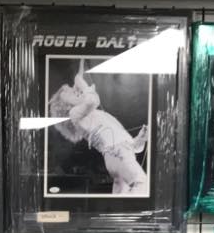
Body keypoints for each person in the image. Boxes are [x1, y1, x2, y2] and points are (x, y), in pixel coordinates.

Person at [47, 66, 149, 194]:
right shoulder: (74, 114)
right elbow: (92, 100)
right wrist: (81, 83)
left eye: (75, 90)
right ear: (65, 106)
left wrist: (140, 139)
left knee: (121, 198)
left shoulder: (97, 115)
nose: (76, 91)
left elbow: (131, 147)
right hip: (116, 153)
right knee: (142, 184)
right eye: (70, 93)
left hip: (117, 154)